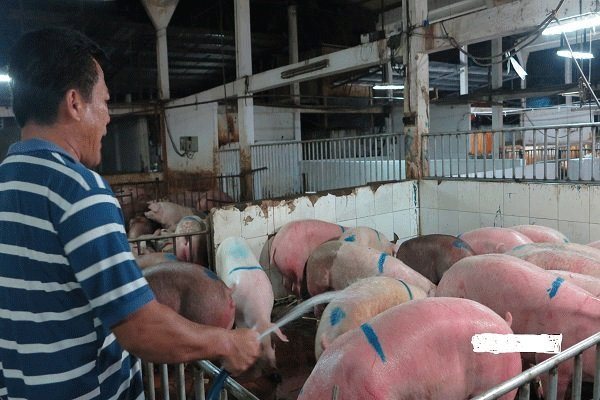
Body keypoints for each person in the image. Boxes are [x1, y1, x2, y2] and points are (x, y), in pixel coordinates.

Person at [0, 27, 260, 400]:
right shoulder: (80, 191)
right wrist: (226, 342)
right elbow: (139, 327)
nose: (108, 117)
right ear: (74, 103)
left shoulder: (6, 182)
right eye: (104, 101)